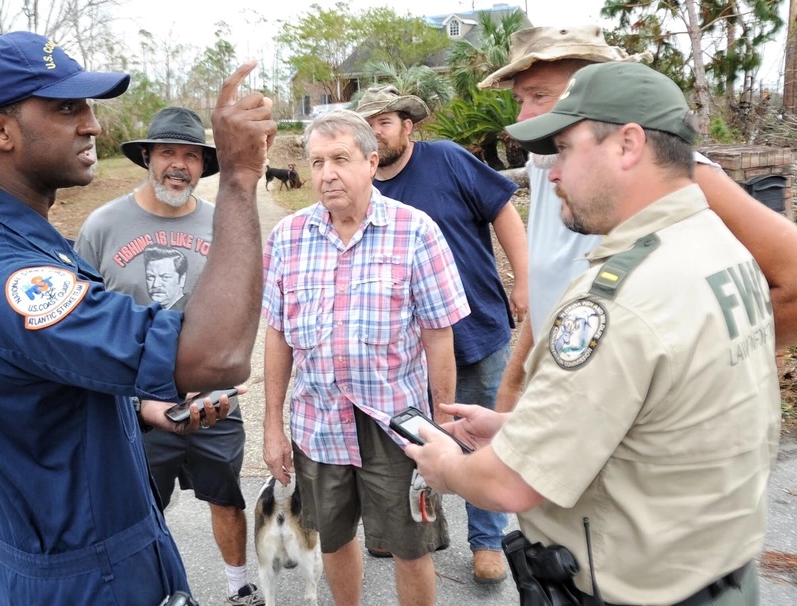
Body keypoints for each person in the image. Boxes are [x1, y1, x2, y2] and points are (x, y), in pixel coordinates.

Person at [407, 60, 780, 605]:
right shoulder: (717, 247)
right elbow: (663, 409)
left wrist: (446, 466)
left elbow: (510, 484)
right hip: (718, 572)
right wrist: (518, 426)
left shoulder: (619, 299)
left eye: (564, 148)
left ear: (627, 144)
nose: (552, 173)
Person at [0, 31, 275, 606]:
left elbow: (58, 383)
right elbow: (216, 357)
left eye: (88, 106)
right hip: (83, 578)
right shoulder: (11, 279)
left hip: (112, 550)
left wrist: (141, 404)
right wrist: (241, 181)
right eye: (66, 107)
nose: (91, 124)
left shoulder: (31, 243)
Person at [477, 25, 797, 412]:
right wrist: (512, 386)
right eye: (520, 99)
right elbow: (553, 290)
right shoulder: (550, 169)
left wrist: (679, 375)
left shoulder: (679, 177)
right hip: (566, 408)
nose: (524, 117)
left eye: (541, 96)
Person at [262, 109, 470, 606]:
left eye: (339, 159)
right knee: (332, 539)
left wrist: (441, 428)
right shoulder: (288, 237)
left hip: (396, 423)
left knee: (410, 546)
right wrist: (273, 425)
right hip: (319, 421)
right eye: (316, 162)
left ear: (371, 162)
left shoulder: (415, 231)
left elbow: (440, 336)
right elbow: (276, 336)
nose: (326, 173)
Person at [75, 106, 264, 606]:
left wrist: (226, 375)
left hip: (214, 395)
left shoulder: (225, 225)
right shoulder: (102, 226)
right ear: (147, 158)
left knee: (225, 496)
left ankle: (238, 587)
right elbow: (82, 322)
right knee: (139, 508)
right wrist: (132, 398)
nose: (178, 164)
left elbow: (245, 306)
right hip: (134, 400)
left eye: (191, 155)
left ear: (204, 166)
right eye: (167, 153)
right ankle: (155, 591)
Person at [356, 85, 528, 584]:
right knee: (404, 436)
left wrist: (525, 278)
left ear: (408, 126)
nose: (376, 133)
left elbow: (502, 211)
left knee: (478, 433)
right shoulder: (361, 185)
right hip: (403, 347)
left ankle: (488, 540)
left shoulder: (448, 160)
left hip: (475, 328)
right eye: (366, 124)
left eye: (384, 122)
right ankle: (401, 526)